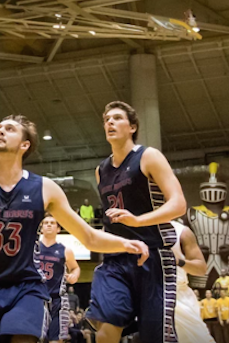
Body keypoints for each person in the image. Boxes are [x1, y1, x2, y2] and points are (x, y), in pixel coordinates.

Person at [0, 114, 148, 343]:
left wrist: (125, 243)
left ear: (24, 144)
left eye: (9, 129)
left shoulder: (44, 188)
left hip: (25, 289)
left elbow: (88, 236)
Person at [87, 101, 187, 343]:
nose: (109, 122)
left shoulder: (148, 156)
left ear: (132, 127)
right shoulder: (101, 170)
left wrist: (139, 221)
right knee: (106, 329)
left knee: (155, 337)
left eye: (117, 118)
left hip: (153, 256)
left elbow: (179, 204)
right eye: (106, 119)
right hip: (116, 258)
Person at [169, 220, 215, 343]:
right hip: (145, 293)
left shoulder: (181, 231)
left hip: (178, 295)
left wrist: (179, 261)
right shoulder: (133, 228)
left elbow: (200, 268)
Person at [39, 214, 80, 343]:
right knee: (35, 337)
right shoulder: (33, 248)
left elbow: (75, 268)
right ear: (41, 228)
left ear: (58, 229)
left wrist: (74, 275)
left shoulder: (65, 250)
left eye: (53, 222)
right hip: (36, 297)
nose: (49, 225)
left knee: (56, 339)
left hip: (58, 299)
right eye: (46, 223)